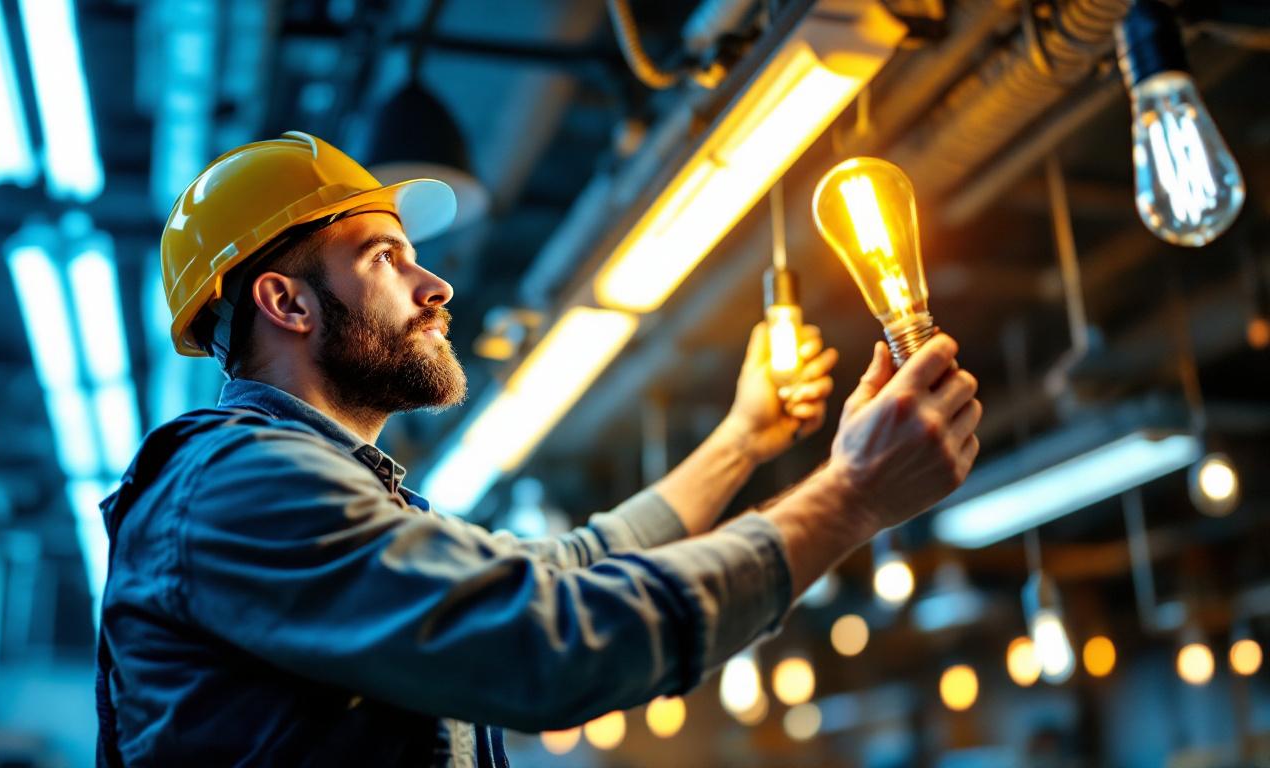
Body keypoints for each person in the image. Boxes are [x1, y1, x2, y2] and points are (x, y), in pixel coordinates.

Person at [96, 132, 981, 767]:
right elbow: (545, 642)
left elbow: (561, 570)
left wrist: (743, 442)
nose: (435, 284)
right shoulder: (236, 486)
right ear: (286, 303)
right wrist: (851, 497)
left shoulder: (339, 496)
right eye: (385, 257)